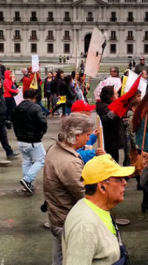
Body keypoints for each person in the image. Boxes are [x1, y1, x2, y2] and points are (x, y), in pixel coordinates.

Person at [62, 154, 134, 265]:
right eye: (119, 179)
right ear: (102, 187)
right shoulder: (84, 226)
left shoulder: (98, 209)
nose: (124, 183)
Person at [43, 113, 95, 265]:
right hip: (68, 220)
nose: (88, 139)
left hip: (56, 215)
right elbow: (85, 195)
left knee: (59, 256)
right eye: (87, 135)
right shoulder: (69, 162)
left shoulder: (55, 148)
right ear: (77, 135)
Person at [12, 89, 47, 193]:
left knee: (27, 161)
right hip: (33, 140)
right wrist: (41, 133)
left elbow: (14, 123)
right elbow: (43, 122)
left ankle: (28, 184)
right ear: (35, 97)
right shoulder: (36, 107)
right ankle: (27, 180)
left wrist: (18, 135)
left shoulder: (17, 108)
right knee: (41, 160)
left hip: (21, 139)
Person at [96, 85, 125, 163]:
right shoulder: (105, 107)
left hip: (112, 141)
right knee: (113, 161)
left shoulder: (106, 106)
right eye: (115, 94)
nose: (117, 95)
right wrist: (114, 111)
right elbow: (105, 119)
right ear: (110, 97)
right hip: (111, 141)